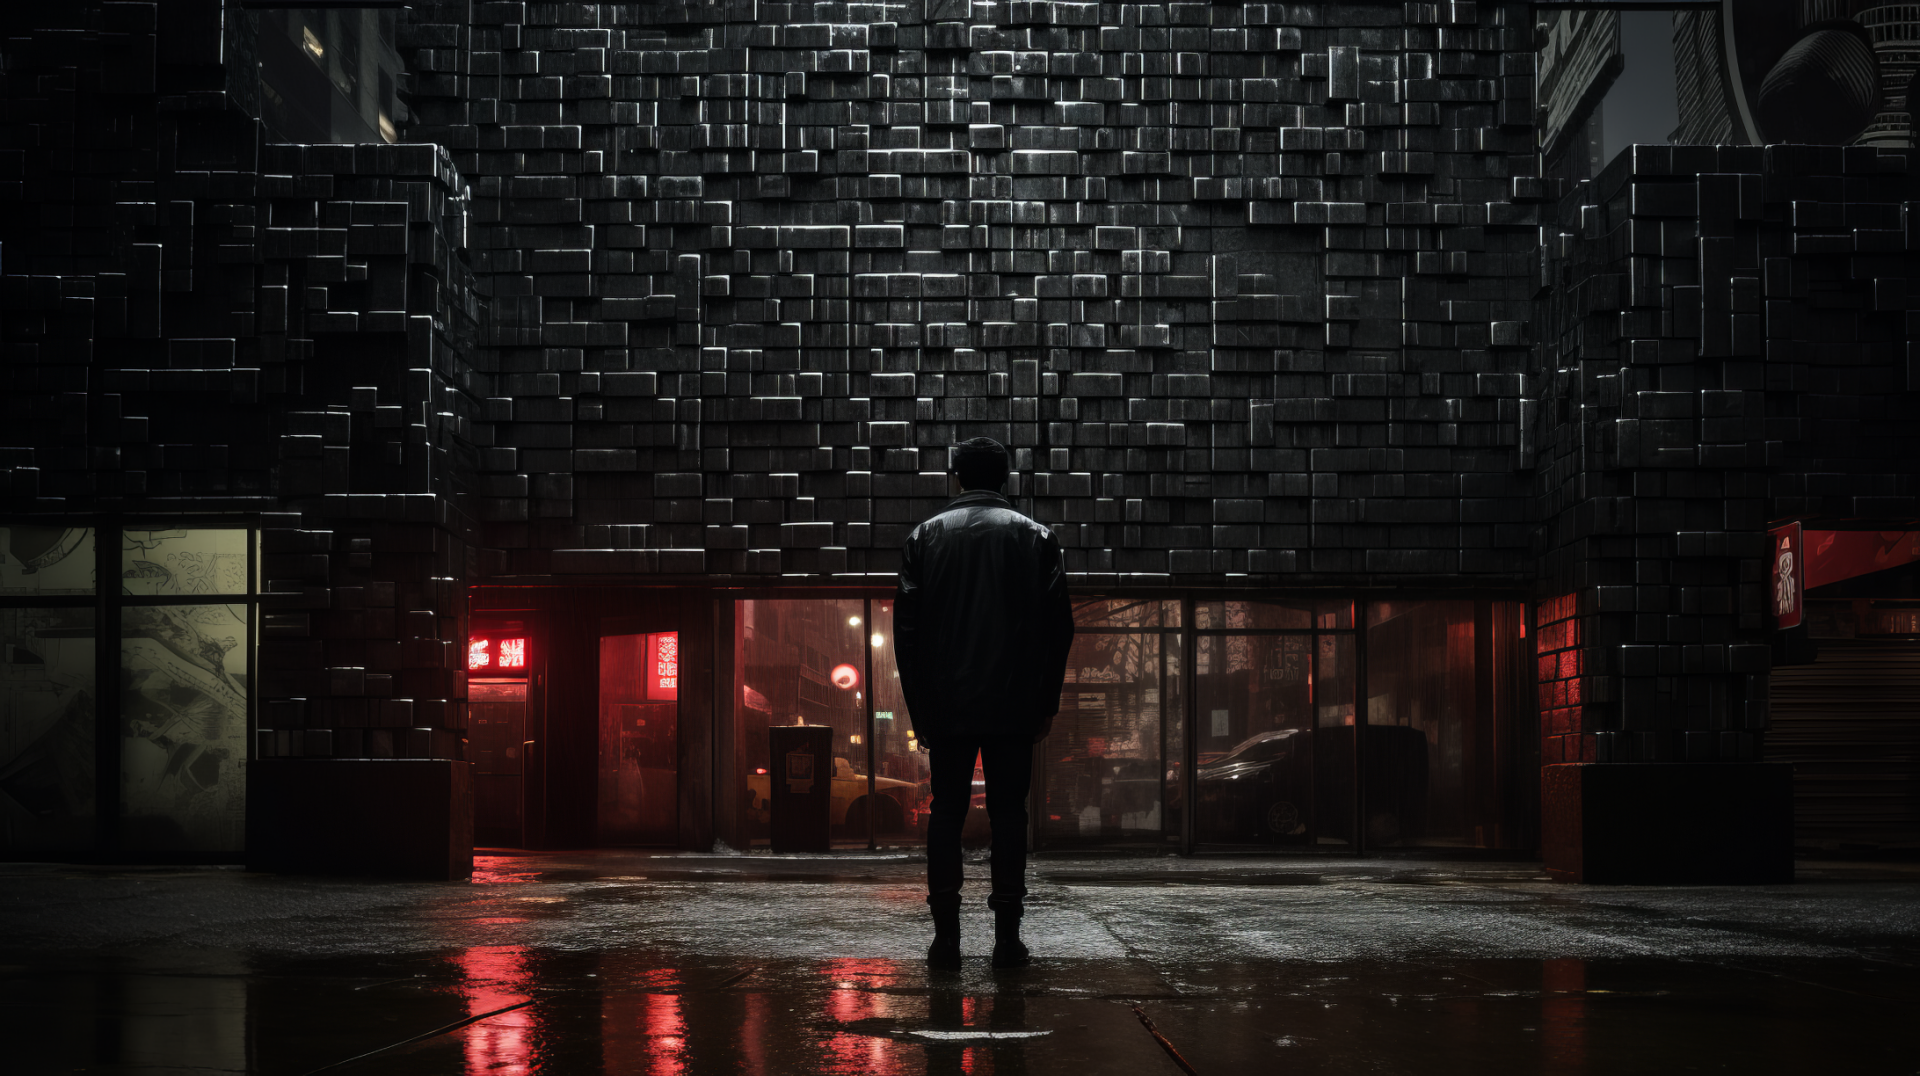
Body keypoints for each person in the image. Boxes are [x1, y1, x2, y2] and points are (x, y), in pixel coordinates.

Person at [893, 437, 1075, 968]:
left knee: (946, 812)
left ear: (956, 477)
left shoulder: (924, 538)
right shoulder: (1037, 537)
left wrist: (920, 710)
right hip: (1014, 703)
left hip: (947, 704)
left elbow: (907, 634)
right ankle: (1006, 941)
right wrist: (1045, 704)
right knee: (1009, 817)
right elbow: (1058, 630)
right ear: (1005, 477)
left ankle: (945, 940)